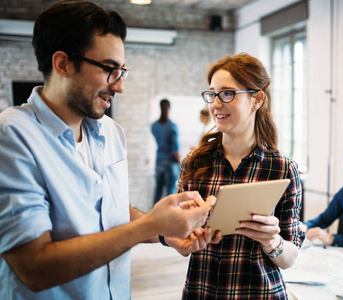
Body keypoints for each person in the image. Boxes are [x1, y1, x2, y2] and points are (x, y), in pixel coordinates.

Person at [0, 1, 215, 299]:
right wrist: (149, 225)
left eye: (122, 71)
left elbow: (107, 211)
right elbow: (34, 267)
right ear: (62, 64)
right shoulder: (12, 136)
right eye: (109, 69)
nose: (120, 86)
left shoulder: (112, 133)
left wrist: (166, 232)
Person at [164, 53, 304, 299]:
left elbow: (289, 258)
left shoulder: (283, 169)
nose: (216, 104)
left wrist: (272, 241)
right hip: (203, 291)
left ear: (257, 100)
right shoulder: (194, 163)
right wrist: (183, 234)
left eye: (227, 93)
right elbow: (182, 245)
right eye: (212, 94)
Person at [151, 99, 181, 203]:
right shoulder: (172, 126)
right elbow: (175, 149)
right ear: (169, 108)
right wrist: (180, 163)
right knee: (170, 192)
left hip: (159, 160)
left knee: (158, 190)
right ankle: (169, 217)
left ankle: (153, 215)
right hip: (170, 163)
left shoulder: (154, 125)